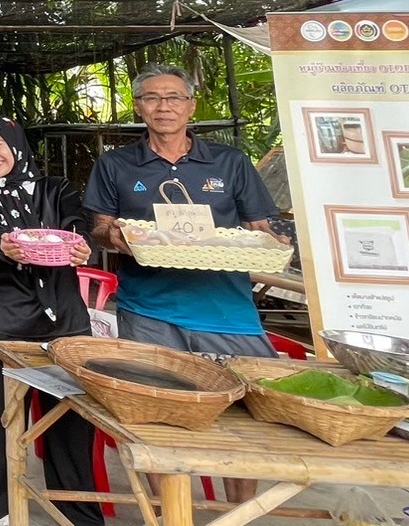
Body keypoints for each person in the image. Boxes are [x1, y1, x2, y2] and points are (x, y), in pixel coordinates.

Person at [84, 63, 283, 505]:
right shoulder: (116, 164)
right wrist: (115, 237)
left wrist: (273, 242)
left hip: (226, 310)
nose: (164, 106)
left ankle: (238, 511)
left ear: (191, 106)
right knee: (155, 415)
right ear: (138, 107)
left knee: (242, 416)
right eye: (152, 98)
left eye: (174, 97)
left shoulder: (229, 162)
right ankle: (170, 512)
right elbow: (100, 227)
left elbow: (259, 227)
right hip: (148, 309)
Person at [0, 116, 101, 526]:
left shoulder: (57, 188)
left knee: (71, 420)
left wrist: (78, 244)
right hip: (4, 319)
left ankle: (77, 513)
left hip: (65, 321)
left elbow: (76, 224)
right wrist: (3, 244)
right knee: (0, 420)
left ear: (17, 146)